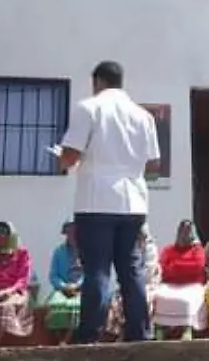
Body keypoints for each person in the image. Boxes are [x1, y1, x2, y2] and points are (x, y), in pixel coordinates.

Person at [57, 60, 161, 344]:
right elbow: (153, 165)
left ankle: (90, 333)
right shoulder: (143, 116)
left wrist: (63, 158)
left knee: (97, 270)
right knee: (131, 270)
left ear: (98, 82)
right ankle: (139, 333)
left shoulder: (88, 108)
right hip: (134, 203)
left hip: (96, 201)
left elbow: (69, 157)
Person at [151, 220, 207, 339]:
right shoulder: (169, 249)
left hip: (192, 284)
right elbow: (163, 268)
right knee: (160, 298)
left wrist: (175, 266)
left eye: (187, 232)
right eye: (182, 232)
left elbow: (197, 266)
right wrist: (182, 267)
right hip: (169, 284)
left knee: (187, 300)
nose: (184, 235)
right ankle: (161, 328)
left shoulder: (198, 250)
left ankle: (187, 328)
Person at [105, 223, 159, 340]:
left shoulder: (150, 248)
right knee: (115, 299)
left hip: (148, 284)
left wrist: (133, 280)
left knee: (143, 299)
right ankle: (119, 332)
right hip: (131, 283)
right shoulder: (130, 247)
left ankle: (140, 332)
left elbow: (149, 271)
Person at [44, 221, 83, 344]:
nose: (72, 235)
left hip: (80, 289)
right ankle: (59, 339)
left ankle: (66, 340)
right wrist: (63, 286)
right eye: (69, 233)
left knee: (76, 307)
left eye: (74, 232)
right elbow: (53, 275)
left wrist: (77, 285)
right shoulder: (58, 251)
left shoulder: (86, 251)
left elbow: (90, 273)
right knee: (54, 306)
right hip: (62, 289)